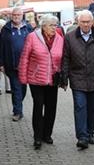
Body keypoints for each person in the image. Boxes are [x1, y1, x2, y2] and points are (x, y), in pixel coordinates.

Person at [61, 10, 94, 149]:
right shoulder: (70, 37)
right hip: (77, 78)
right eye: (83, 22)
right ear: (78, 22)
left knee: (92, 108)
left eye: (88, 22)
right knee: (80, 106)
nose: (85, 24)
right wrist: (64, 79)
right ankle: (82, 137)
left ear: (92, 22)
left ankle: (90, 133)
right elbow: (65, 58)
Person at [17, 14, 65, 149]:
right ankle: (37, 137)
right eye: (51, 25)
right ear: (43, 26)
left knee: (51, 108)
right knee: (38, 106)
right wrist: (23, 78)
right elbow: (25, 57)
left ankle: (47, 134)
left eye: (55, 25)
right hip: (36, 79)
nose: (54, 28)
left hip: (53, 79)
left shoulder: (60, 39)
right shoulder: (32, 37)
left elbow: (63, 60)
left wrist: (62, 76)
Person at [0, 7, 32, 121]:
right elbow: (0, 47)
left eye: (18, 15)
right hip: (11, 64)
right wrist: (0, 63)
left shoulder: (28, 28)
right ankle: (18, 112)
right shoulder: (6, 29)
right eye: (14, 15)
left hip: (26, 65)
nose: (16, 17)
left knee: (22, 89)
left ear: (22, 16)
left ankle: (18, 105)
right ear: (11, 16)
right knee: (16, 88)